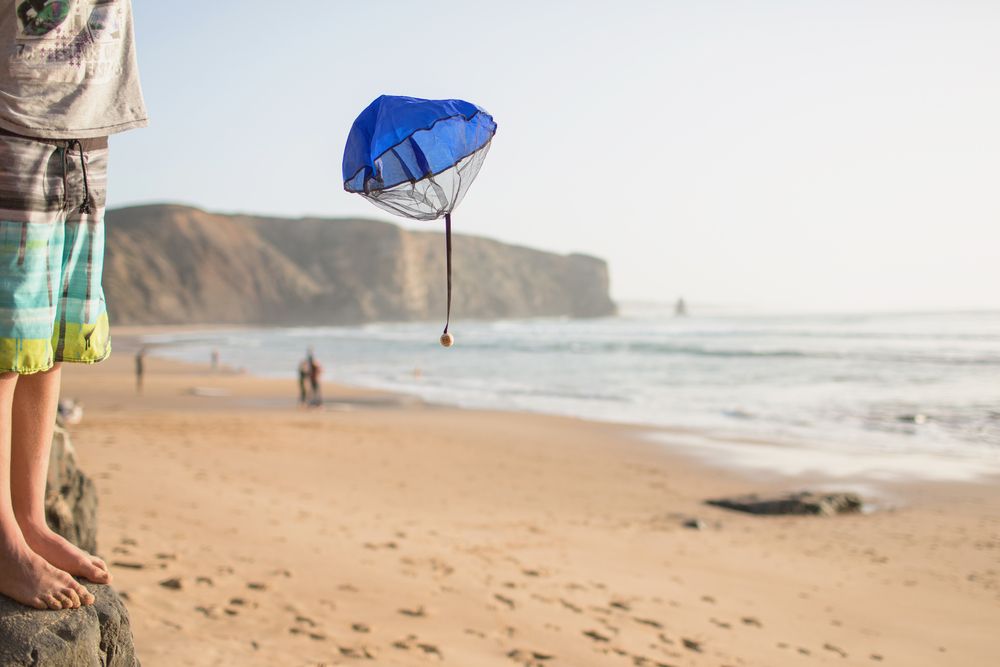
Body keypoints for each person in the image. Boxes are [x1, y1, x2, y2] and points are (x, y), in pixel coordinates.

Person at [0, 1, 147, 611]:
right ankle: (2, 540)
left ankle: (29, 519)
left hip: (86, 125)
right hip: (15, 115)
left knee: (47, 338)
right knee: (5, 345)